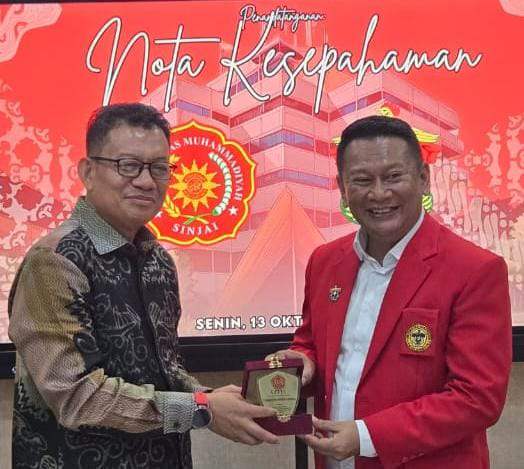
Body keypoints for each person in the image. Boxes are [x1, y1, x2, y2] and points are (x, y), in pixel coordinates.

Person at [8, 103, 278, 469]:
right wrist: (201, 409)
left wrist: (208, 397)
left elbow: (164, 369)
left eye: (159, 167)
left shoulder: (158, 261)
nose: (147, 182)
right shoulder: (55, 261)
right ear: (88, 171)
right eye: (128, 165)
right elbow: (75, 395)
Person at [275, 115, 512, 468]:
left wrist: (366, 437)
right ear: (342, 187)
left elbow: (476, 398)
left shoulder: (475, 270)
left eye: (393, 177)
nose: (379, 193)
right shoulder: (325, 261)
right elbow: (311, 342)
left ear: (424, 179)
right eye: (362, 180)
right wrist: (301, 362)